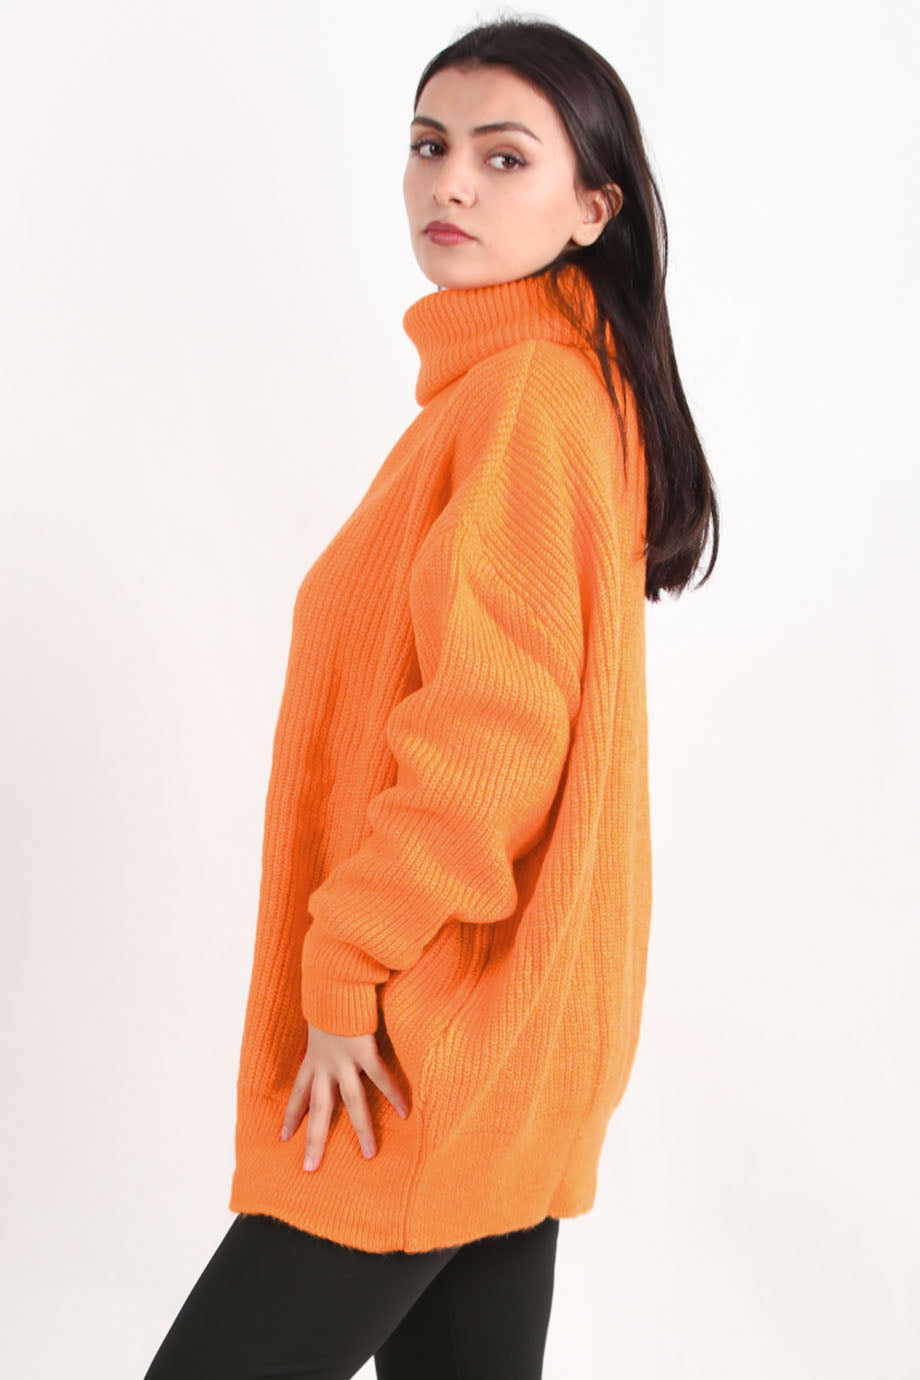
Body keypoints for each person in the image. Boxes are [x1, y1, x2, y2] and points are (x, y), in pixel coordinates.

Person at [143, 16, 719, 1380]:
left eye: (504, 158)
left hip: (425, 1036)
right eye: (429, 144)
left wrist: (346, 968)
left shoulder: (525, 403)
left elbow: (489, 741)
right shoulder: (543, 394)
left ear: (592, 209)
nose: (450, 182)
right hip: (504, 1044)